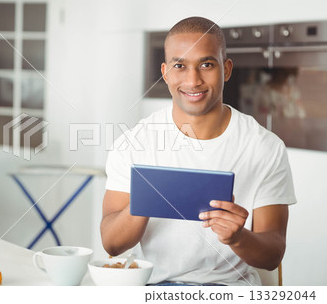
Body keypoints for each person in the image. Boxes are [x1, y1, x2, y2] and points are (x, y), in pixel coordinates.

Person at [100, 16, 297, 286]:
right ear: (166, 72)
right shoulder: (134, 142)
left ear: (226, 70)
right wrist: (143, 202)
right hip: (154, 287)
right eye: (180, 65)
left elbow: (273, 254)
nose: (193, 80)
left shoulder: (264, 147)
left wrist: (239, 238)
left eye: (206, 64)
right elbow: (112, 245)